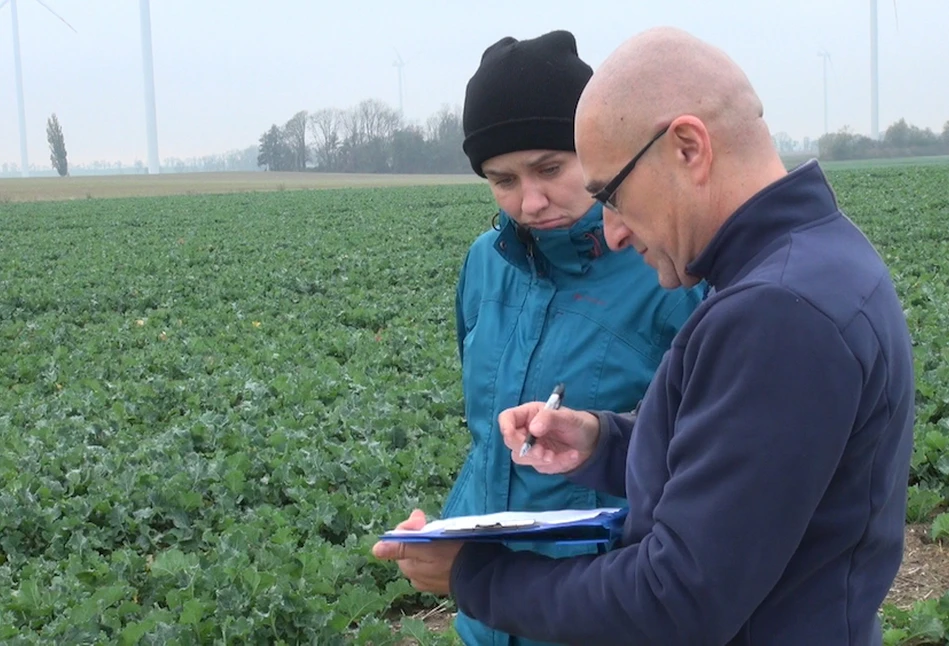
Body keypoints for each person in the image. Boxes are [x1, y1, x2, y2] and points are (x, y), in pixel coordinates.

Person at [372, 26, 915, 646]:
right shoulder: (818, 261)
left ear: (687, 147)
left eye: (615, 195)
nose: (615, 232)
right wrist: (603, 442)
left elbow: (677, 597)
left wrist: (476, 576)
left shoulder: (777, 313)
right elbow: (728, 465)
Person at [375, 30, 702, 646]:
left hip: (599, 615)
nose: (529, 201)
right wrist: (441, 537)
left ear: (596, 151)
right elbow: (485, 438)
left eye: (550, 168)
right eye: (501, 179)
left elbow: (692, 465)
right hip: (485, 616)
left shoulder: (668, 267)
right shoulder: (484, 264)